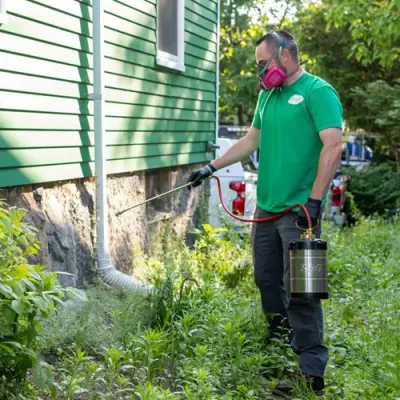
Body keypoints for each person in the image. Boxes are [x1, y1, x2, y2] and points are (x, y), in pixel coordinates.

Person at [187, 30, 343, 396]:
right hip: (267, 210)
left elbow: (332, 146)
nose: (260, 72)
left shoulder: (319, 93)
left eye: (263, 63)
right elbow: (250, 141)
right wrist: (211, 167)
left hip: (302, 210)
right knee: (266, 281)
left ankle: (311, 370)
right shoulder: (267, 97)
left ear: (286, 56)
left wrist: (316, 201)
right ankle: (281, 343)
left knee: (304, 289)